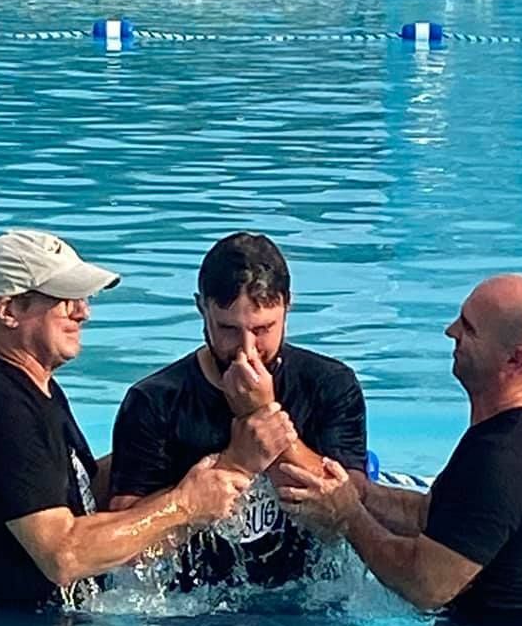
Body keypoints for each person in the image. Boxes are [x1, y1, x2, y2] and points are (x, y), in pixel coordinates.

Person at [0, 228, 296, 612]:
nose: (83, 312)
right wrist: (186, 504)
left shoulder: (31, 392)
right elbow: (64, 554)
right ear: (8, 311)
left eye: (82, 299)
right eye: (64, 299)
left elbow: (79, 495)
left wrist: (174, 445)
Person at [277, 274, 522, 626]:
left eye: (469, 328)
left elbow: (425, 586)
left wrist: (348, 516)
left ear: (514, 360)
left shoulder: (504, 458)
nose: (451, 331)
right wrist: (361, 493)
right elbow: (434, 517)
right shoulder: (511, 433)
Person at [108, 232, 368, 591]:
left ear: (287, 306)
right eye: (228, 329)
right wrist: (231, 467)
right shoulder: (155, 401)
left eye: (262, 329)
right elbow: (125, 544)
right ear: (201, 308)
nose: (247, 349)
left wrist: (262, 414)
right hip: (192, 604)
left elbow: (350, 512)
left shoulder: (329, 385)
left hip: (305, 599)